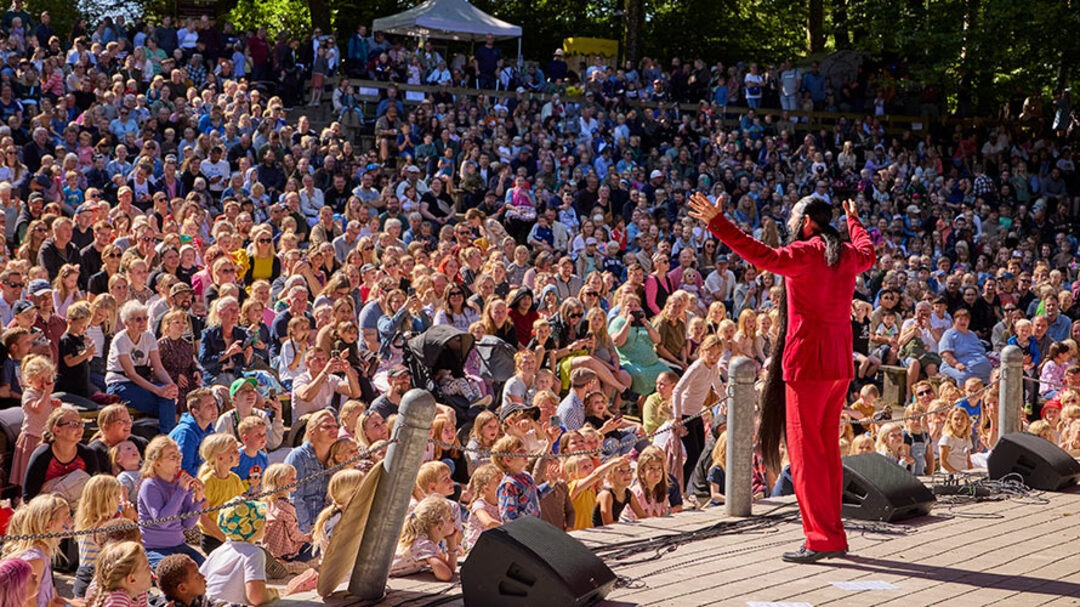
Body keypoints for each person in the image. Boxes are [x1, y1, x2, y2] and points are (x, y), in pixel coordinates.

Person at [689, 193, 874, 563]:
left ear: (807, 222)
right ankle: (832, 533)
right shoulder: (847, 254)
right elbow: (868, 250)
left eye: (793, 217)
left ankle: (821, 539)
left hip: (807, 365)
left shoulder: (805, 252)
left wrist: (717, 223)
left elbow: (761, 255)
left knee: (806, 456)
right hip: (839, 364)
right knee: (827, 454)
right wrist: (854, 220)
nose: (789, 222)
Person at [106, 301, 179, 432]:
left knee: (168, 395)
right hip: (121, 383)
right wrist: (158, 390)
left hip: (142, 382)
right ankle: (168, 436)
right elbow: (130, 374)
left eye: (145, 318)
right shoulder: (120, 339)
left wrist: (171, 386)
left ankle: (167, 436)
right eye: (138, 319)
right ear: (127, 322)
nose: (143, 322)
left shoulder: (149, 337)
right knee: (165, 400)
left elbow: (158, 368)